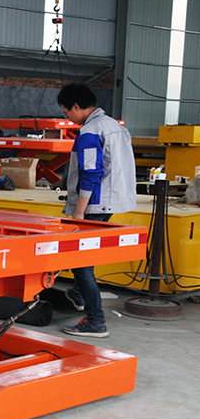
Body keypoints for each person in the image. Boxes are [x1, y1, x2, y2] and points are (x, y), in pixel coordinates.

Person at [57, 82, 136, 338]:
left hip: (94, 203)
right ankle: (79, 293)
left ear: (76, 106)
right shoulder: (114, 125)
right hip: (113, 200)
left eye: (67, 111)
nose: (68, 117)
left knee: (81, 264)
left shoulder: (90, 131)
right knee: (87, 256)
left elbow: (91, 173)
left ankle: (95, 321)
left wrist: (79, 211)